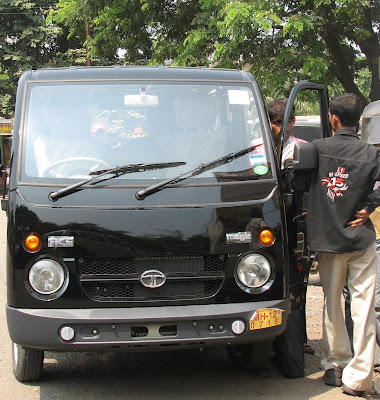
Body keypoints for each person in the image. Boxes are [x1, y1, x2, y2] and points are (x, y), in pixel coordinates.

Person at [306, 93, 380, 396]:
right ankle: (361, 377)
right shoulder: (371, 153)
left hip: (330, 240)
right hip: (362, 241)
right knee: (364, 308)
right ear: (358, 120)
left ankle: (336, 365)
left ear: (333, 119)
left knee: (333, 304)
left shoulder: (317, 149)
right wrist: (370, 206)